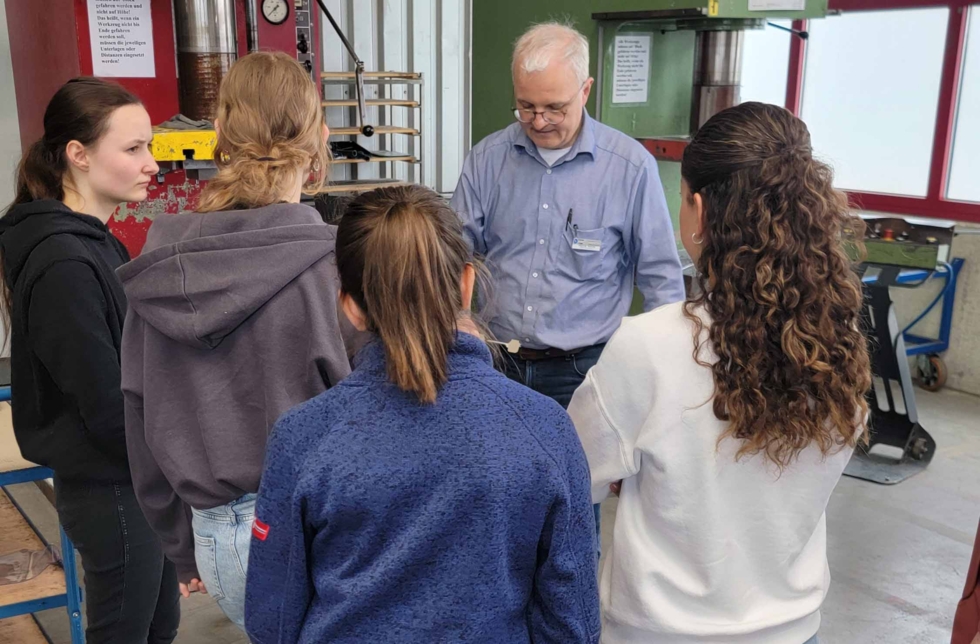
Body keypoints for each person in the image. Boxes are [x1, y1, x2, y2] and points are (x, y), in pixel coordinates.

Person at [568, 102, 872, 644]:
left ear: (700, 210)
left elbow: (573, 474)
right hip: (794, 631)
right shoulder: (838, 347)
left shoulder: (650, 346)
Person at [245, 185, 600, 644]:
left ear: (350, 306)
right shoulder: (544, 428)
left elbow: (272, 619)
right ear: (467, 284)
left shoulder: (304, 436)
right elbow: (572, 621)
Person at [117, 51, 353, 630]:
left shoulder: (157, 270)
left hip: (218, 537)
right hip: (323, 525)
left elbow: (139, 412)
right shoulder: (334, 270)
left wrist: (179, 543)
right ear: (321, 139)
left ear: (218, 136)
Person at [451, 22, 685, 541]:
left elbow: (664, 283)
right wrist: (457, 321)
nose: (538, 120)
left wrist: (660, 392)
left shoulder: (630, 169)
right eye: (525, 106)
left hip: (585, 372)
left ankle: (566, 617)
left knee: (574, 510)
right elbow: (454, 257)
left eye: (554, 107)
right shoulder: (488, 159)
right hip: (496, 365)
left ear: (586, 90)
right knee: (490, 502)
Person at [0, 78, 179, 643]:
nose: (151, 163)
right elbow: (105, 403)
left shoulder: (100, 240)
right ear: (77, 155)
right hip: (113, 489)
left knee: (158, 626)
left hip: (137, 476)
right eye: (133, 149)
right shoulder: (63, 263)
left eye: (149, 146)